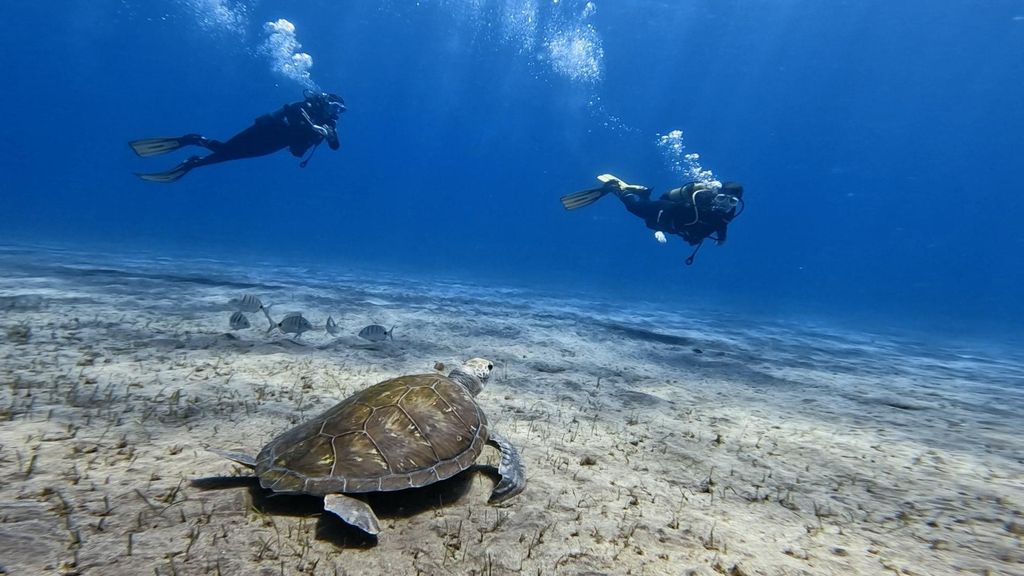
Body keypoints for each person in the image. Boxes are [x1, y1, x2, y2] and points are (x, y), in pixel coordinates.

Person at [129, 90, 346, 183]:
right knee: (225, 150)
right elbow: (296, 116)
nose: (336, 113)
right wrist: (312, 128)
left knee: (228, 155)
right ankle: (193, 140)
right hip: (263, 132)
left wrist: (327, 134)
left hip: (272, 145)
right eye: (335, 107)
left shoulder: (328, 125)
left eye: (340, 110)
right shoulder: (306, 106)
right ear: (325, 102)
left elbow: (325, 148)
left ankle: (193, 162)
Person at [560, 174, 744, 265]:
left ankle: (643, 194)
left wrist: (722, 238)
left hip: (675, 226)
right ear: (716, 195)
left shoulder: (727, 213)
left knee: (645, 213)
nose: (724, 204)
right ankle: (615, 188)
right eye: (721, 198)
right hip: (666, 211)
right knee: (635, 208)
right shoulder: (701, 200)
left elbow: (722, 225)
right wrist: (658, 226)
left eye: (732, 201)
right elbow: (669, 206)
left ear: (737, 203)